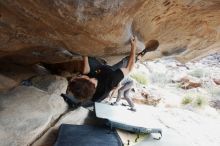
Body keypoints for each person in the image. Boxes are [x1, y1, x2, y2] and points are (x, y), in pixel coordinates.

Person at [65, 37, 159, 107]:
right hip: (108, 74)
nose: (78, 75)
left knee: (90, 60)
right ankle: (143, 53)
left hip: (100, 72)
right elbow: (129, 68)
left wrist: (84, 55)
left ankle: (96, 62)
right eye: (78, 77)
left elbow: (85, 71)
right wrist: (133, 47)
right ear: (86, 80)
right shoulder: (112, 78)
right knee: (127, 60)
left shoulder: (88, 85)